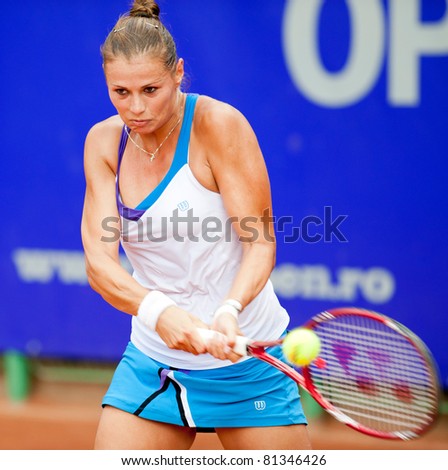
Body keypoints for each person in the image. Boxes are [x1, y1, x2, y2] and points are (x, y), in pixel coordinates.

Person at [81, 0, 311, 450]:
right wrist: (158, 313)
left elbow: (260, 245)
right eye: (120, 92)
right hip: (154, 364)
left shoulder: (219, 126)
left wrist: (229, 310)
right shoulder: (104, 144)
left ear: (178, 73)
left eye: (151, 89)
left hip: (248, 363)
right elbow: (99, 266)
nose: (136, 108)